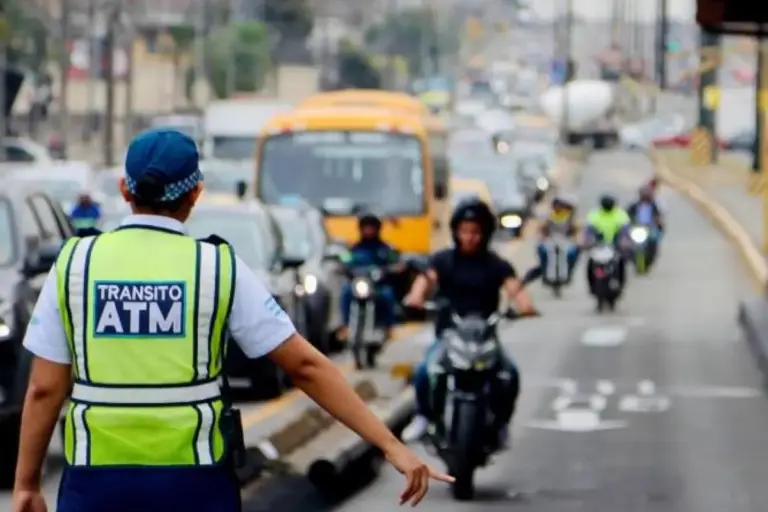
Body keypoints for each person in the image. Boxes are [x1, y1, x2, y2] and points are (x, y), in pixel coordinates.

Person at [12, 129, 452, 512]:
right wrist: (390, 444)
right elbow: (305, 366)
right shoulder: (217, 268)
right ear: (195, 194)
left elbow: (45, 388)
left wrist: (27, 484)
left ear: (124, 189)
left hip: (95, 483)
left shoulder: (74, 265)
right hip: (194, 484)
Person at [401, 198, 536, 445]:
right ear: (455, 231)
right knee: (424, 372)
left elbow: (515, 289)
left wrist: (525, 306)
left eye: (476, 232)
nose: (470, 237)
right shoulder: (443, 260)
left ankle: (501, 425)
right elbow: (426, 280)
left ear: (485, 233)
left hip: (486, 337)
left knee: (510, 376)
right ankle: (423, 417)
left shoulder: (496, 264)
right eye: (465, 231)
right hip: (449, 335)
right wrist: (416, 297)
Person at [338, 213, 400, 339]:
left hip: (377, 286)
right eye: (366, 227)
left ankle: (389, 326)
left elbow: (397, 262)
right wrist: (344, 267)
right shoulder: (353, 249)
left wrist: (390, 269)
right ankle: (346, 326)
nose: (369, 231)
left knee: (387, 295)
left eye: (371, 227)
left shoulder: (386, 249)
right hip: (359, 284)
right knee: (345, 292)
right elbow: (344, 260)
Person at [522, 194, 580, 285]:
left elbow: (576, 231)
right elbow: (541, 229)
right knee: (547, 253)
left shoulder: (570, 218)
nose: (560, 208)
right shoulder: (549, 217)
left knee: (569, 253)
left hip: (565, 242)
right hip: (550, 241)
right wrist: (542, 237)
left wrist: (576, 239)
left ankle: (565, 275)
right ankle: (546, 274)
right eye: (558, 206)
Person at [584, 194, 631, 293]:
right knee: (590, 264)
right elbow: (589, 230)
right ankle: (592, 286)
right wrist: (588, 240)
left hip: (615, 246)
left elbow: (625, 230)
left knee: (621, 263)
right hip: (599, 246)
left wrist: (624, 240)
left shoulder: (620, 215)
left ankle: (619, 283)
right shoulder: (594, 215)